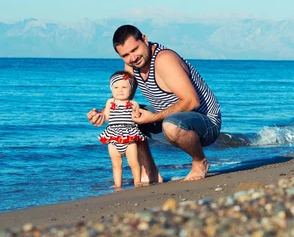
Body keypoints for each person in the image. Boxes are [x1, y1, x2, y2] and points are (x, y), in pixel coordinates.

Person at [88, 24, 222, 181]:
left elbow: (191, 101)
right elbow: (124, 96)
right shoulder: (132, 63)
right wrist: (104, 113)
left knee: (171, 125)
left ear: (144, 39)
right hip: (173, 117)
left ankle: (200, 162)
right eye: (125, 55)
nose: (132, 58)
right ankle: (150, 171)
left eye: (135, 49)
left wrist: (153, 118)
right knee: (129, 114)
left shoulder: (164, 60)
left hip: (205, 122)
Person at [96, 71, 146, 189]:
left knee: (133, 162)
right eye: (116, 87)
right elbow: (106, 116)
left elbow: (136, 118)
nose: (120, 90)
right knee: (116, 163)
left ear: (131, 89)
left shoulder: (133, 103)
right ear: (111, 89)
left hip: (129, 136)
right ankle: (118, 184)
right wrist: (98, 116)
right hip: (113, 136)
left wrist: (138, 115)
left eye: (124, 87)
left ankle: (137, 181)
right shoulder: (110, 102)